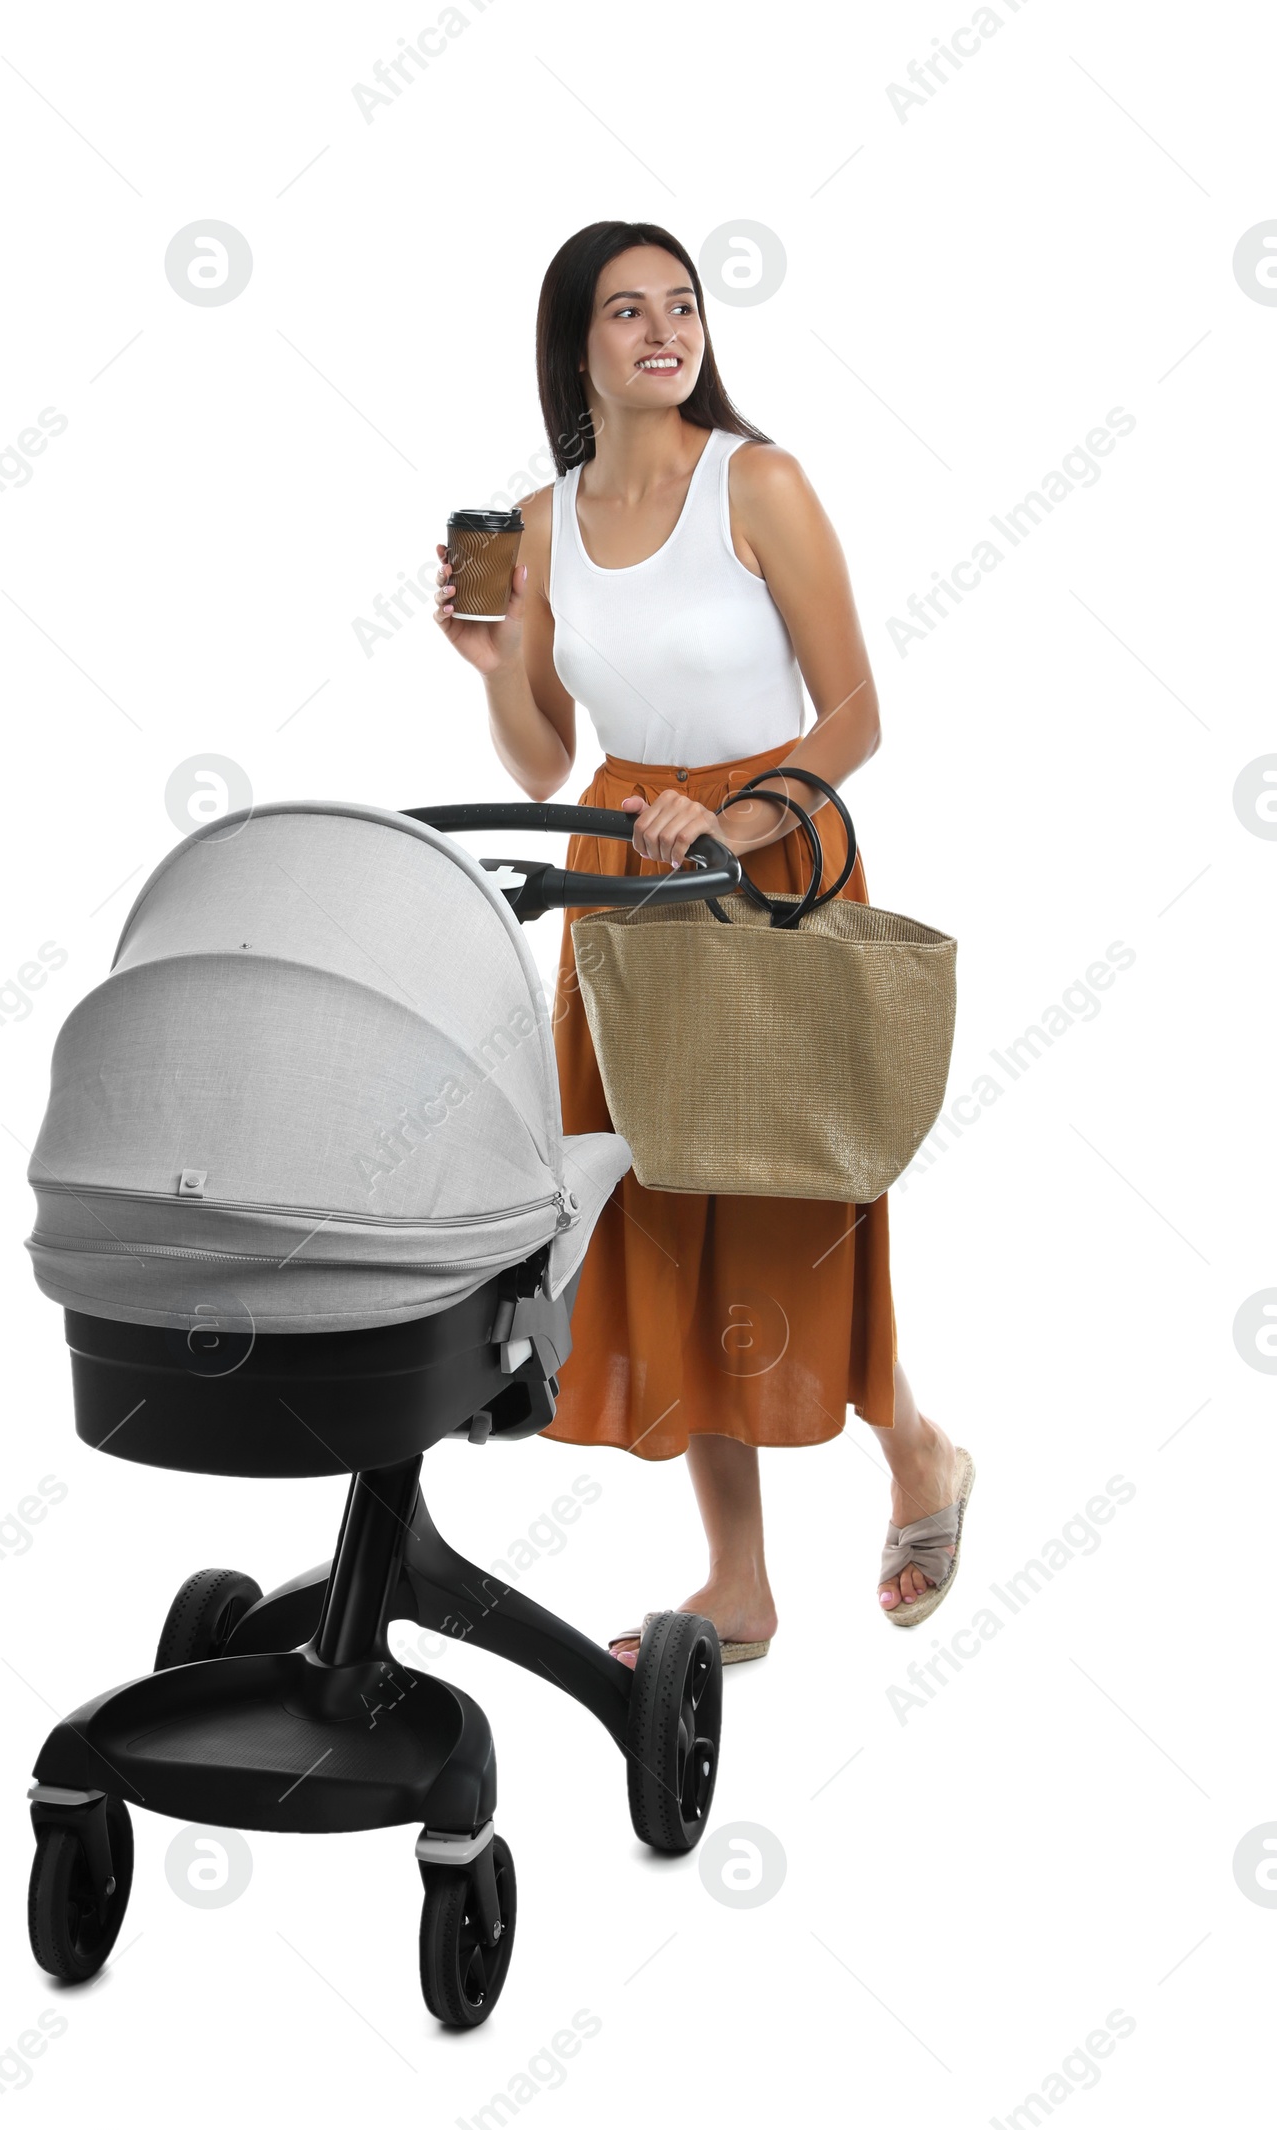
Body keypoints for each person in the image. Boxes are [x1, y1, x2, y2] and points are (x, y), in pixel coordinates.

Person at [432, 220, 973, 1666]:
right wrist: (498, 667)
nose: (665, 330)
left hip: (771, 858)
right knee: (664, 1211)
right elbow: (546, 760)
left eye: (682, 305)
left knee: (801, 1194)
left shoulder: (761, 483)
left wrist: (741, 819)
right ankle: (737, 1579)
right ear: (579, 343)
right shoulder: (536, 526)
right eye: (629, 311)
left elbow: (856, 712)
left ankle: (916, 1448)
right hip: (625, 874)